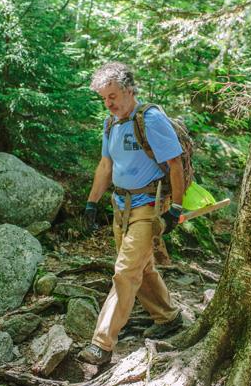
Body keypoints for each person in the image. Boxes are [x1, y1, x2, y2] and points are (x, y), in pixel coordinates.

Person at [78, 62, 185, 366]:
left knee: (125, 271)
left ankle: (102, 344)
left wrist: (175, 210)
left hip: (148, 207)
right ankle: (168, 317)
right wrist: (91, 203)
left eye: (112, 96)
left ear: (128, 90)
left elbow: (175, 164)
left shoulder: (150, 119)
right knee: (142, 267)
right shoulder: (110, 124)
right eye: (104, 98)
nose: (108, 103)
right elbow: (105, 165)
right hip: (119, 208)